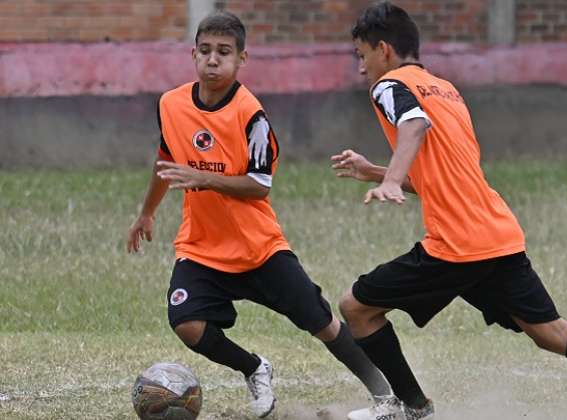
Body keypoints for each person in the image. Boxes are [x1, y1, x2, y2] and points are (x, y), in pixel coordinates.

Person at [332, 3, 567, 420]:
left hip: (457, 245)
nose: (361, 68)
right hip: (496, 233)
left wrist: (391, 180)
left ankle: (412, 408)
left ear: (384, 50)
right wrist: (376, 172)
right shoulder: (444, 88)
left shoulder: (389, 85)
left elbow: (413, 126)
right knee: (551, 332)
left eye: (362, 55)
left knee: (355, 307)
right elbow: (444, 177)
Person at [126, 11, 390, 419]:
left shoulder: (252, 115)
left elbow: (259, 184)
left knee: (323, 324)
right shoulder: (171, 104)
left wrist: (202, 177)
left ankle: (386, 394)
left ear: (242, 59)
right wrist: (146, 213)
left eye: (224, 52)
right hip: (201, 247)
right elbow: (166, 161)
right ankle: (254, 367)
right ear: (193, 53)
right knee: (185, 321)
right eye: (206, 50)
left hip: (259, 249)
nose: (213, 60)